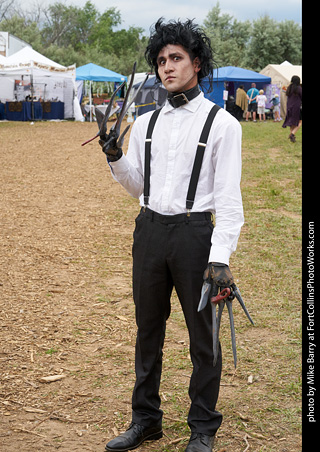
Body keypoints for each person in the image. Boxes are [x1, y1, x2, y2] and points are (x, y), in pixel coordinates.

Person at [102, 18, 244, 452]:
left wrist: (219, 257)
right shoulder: (146, 122)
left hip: (195, 235)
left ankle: (203, 427)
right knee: (148, 331)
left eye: (176, 58)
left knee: (204, 338)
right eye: (162, 60)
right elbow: (136, 186)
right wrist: (115, 158)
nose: (167, 67)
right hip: (149, 231)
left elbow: (229, 201)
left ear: (196, 63)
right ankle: (145, 420)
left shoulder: (222, 125)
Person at [282, 75, 302, 142]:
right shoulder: (299, 88)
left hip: (289, 106)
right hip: (296, 107)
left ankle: (292, 135)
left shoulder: (289, 88)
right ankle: (292, 134)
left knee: (292, 122)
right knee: (300, 121)